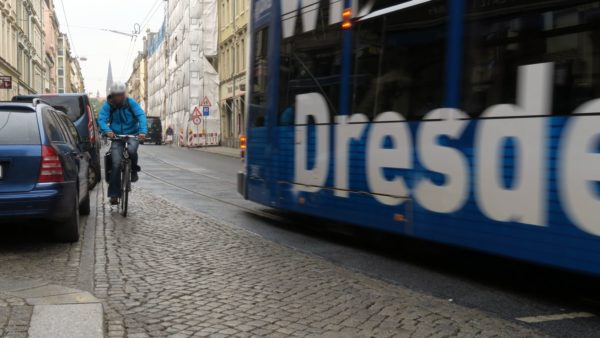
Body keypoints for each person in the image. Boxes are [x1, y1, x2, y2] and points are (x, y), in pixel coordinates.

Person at [98, 82, 148, 205]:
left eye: (121, 95)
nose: (118, 97)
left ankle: (134, 170)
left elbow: (141, 115)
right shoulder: (108, 105)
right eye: (116, 95)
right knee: (115, 164)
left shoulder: (131, 103)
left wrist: (142, 131)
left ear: (124, 94)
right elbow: (101, 119)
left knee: (131, 150)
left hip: (133, 134)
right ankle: (114, 195)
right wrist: (107, 131)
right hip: (116, 136)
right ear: (112, 95)